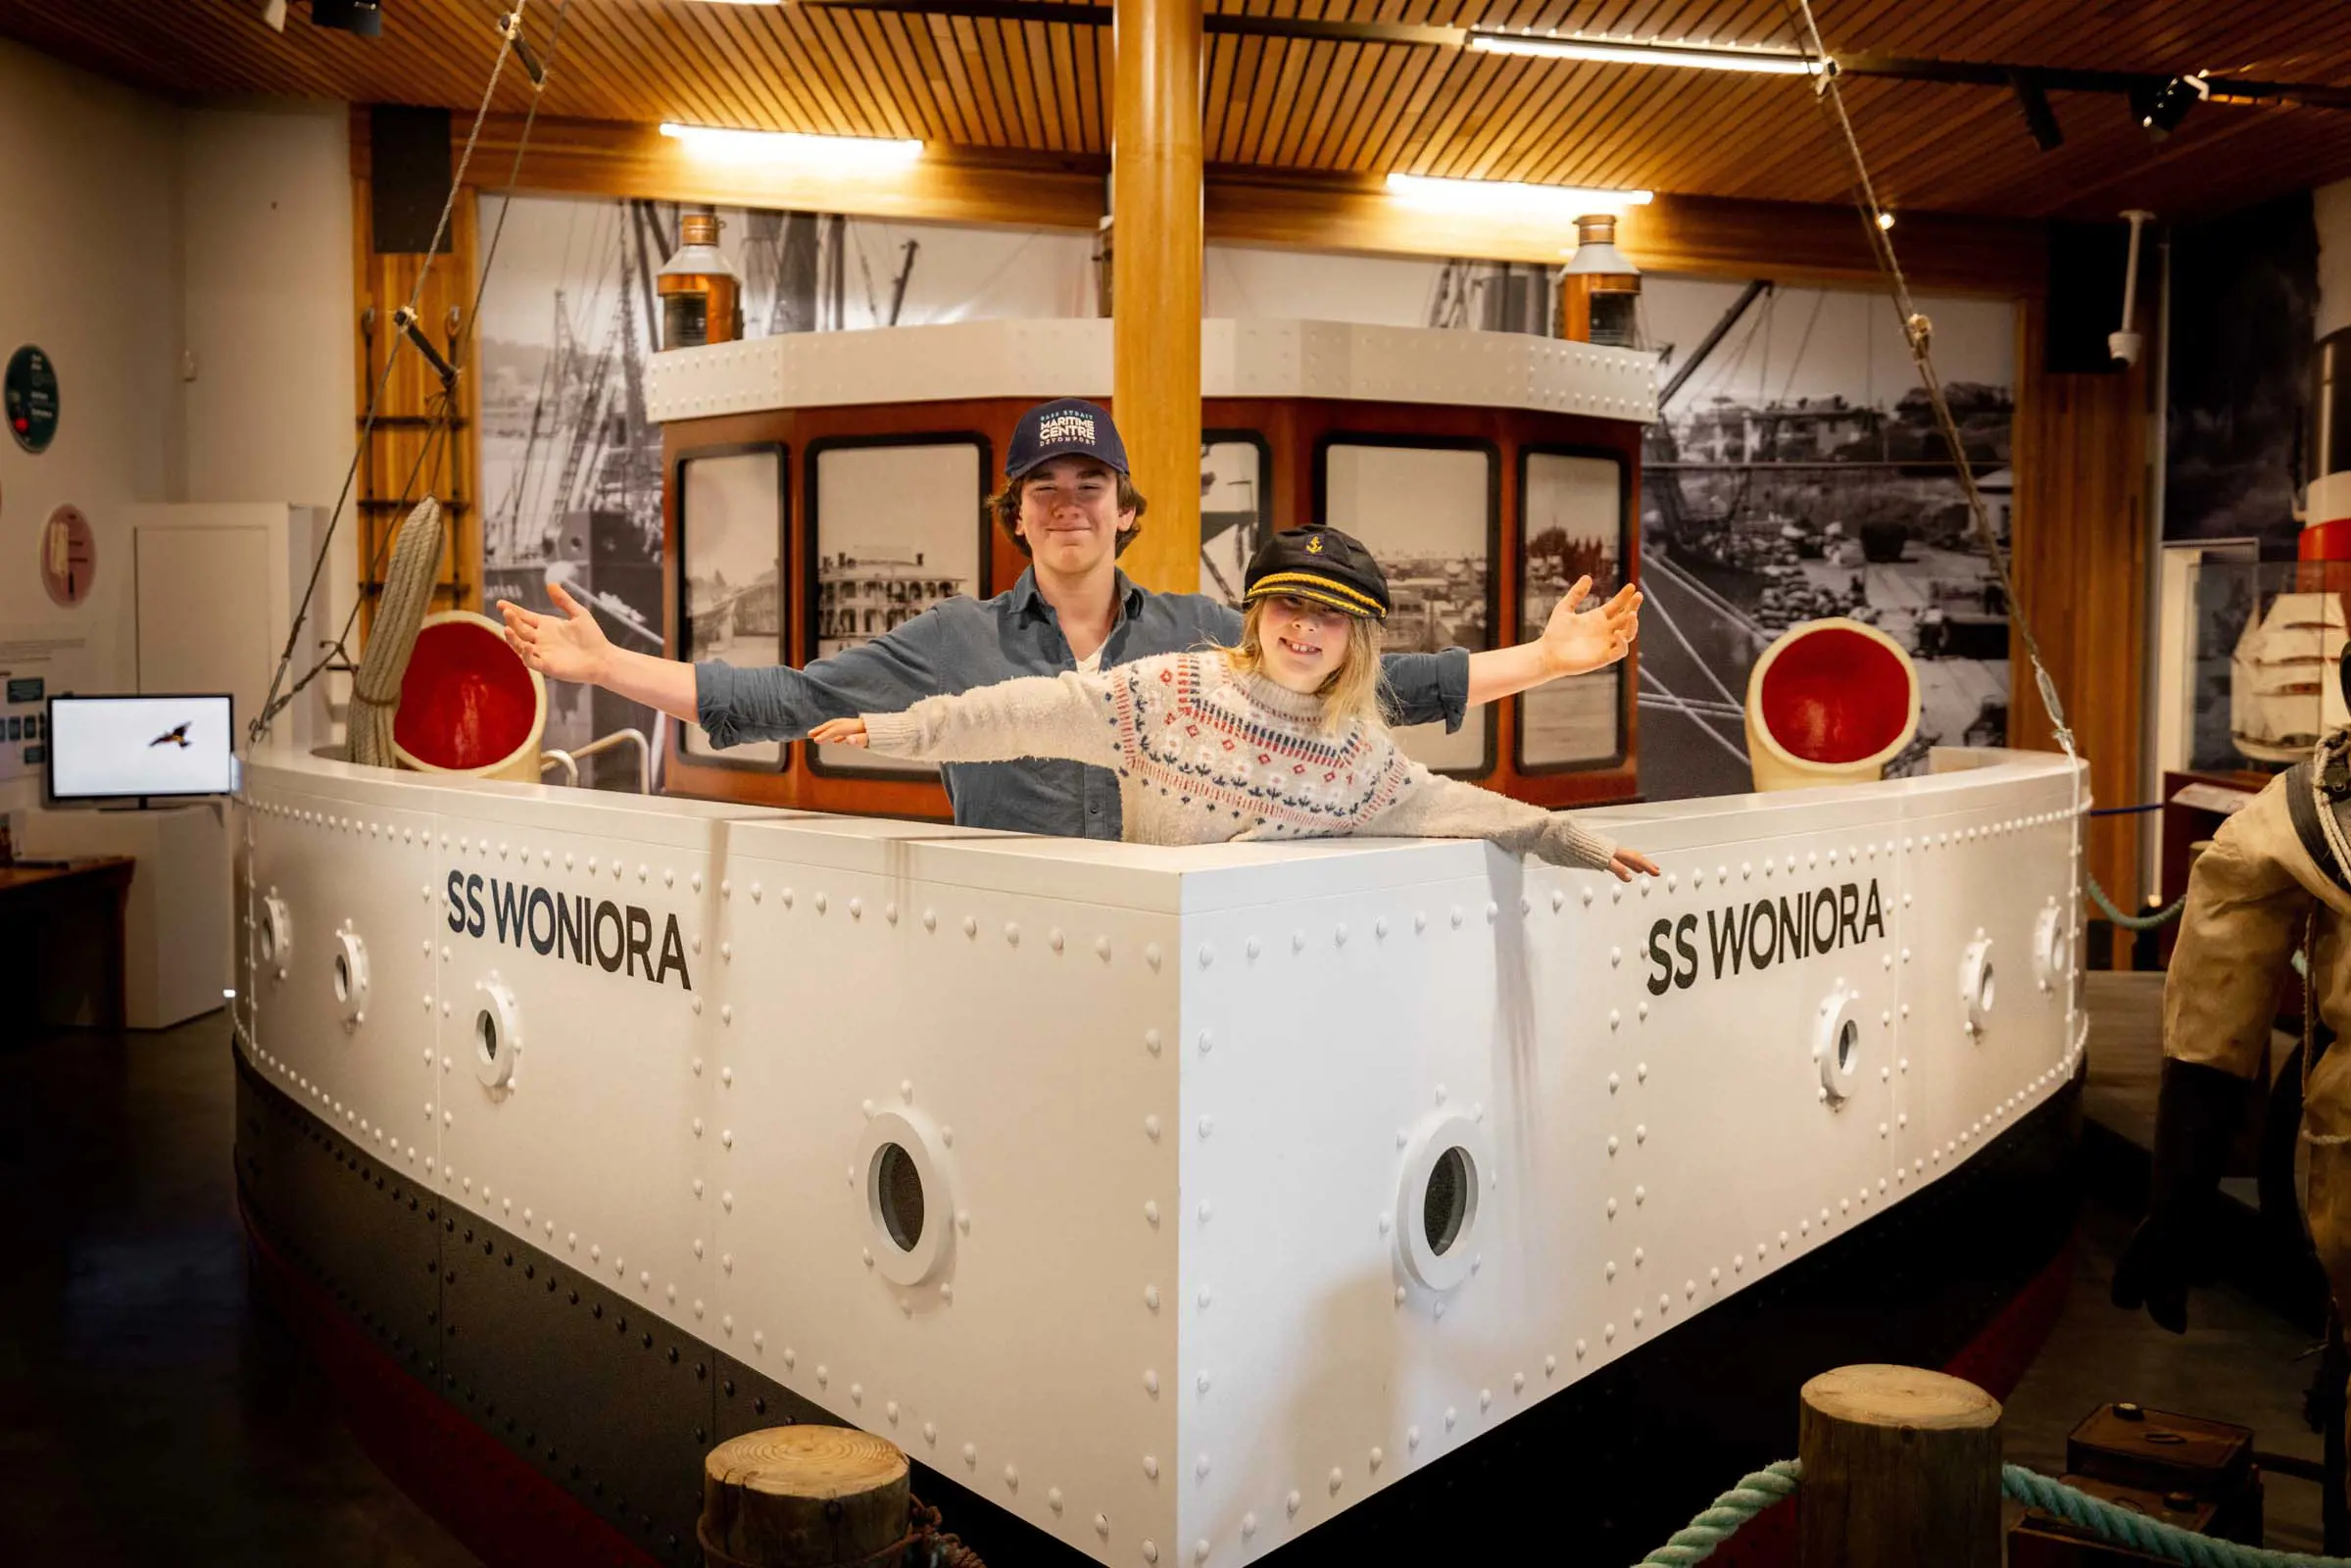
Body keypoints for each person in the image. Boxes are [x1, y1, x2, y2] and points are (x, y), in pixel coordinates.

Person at [497, 397, 1641, 840]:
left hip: (1174, 949)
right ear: (1016, 516)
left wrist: (1542, 659)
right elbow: (784, 700)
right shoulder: (949, 643)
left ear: (1126, 509)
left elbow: (1376, 690)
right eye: (1043, 489)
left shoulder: (1202, 633)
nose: (1066, 505)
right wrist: (615, 668)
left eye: (1088, 485)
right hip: (1012, 937)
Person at [808, 524, 1660, 880]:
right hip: (1146, 970)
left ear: (1354, 641)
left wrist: (1564, 837)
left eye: (1330, 617)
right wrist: (901, 728)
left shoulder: (1359, 760)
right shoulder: (1171, 693)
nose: (1305, 630)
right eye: (1290, 606)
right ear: (1258, 613)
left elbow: (1453, 807)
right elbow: (1024, 711)